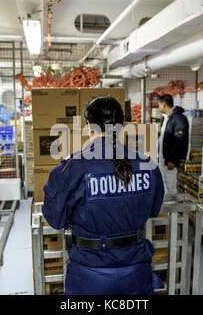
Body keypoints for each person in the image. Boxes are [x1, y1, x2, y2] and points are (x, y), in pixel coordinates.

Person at [42, 96, 165, 295]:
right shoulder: (147, 164)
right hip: (135, 271)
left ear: (88, 124)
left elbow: (55, 219)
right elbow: (153, 209)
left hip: (89, 274)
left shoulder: (74, 167)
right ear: (122, 125)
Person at [158, 94, 189, 198]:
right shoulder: (166, 118)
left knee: (171, 187)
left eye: (159, 105)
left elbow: (180, 141)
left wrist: (173, 159)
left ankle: (173, 213)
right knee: (164, 186)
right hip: (163, 159)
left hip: (170, 161)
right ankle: (166, 212)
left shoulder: (179, 118)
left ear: (164, 104)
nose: (158, 107)